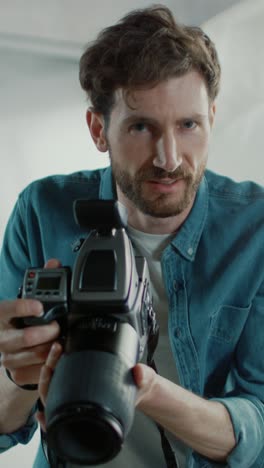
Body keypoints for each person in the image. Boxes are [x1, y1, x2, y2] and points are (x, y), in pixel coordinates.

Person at [0, 5, 264, 467]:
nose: (168, 157)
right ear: (99, 129)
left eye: (188, 125)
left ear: (212, 118)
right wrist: (18, 376)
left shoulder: (255, 228)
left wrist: (142, 385)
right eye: (142, 126)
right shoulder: (42, 213)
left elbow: (256, 429)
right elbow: (4, 426)